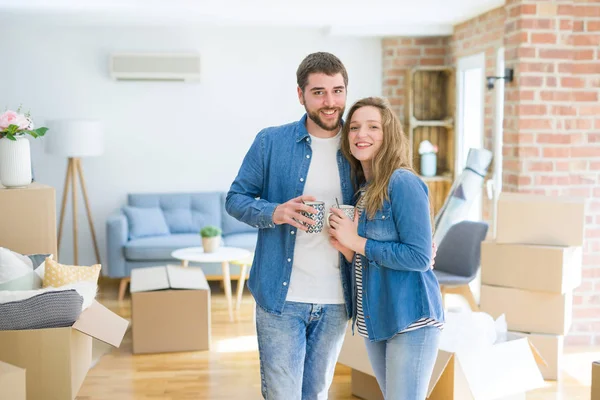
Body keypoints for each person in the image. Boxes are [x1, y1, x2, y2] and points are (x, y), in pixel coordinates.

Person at [225, 52, 355, 400]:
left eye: (338, 91)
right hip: (282, 298)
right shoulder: (271, 142)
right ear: (301, 95)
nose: (330, 102)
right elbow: (235, 199)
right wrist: (276, 212)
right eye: (319, 92)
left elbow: (389, 203)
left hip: (336, 299)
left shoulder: (361, 146)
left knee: (316, 393)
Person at [328, 96, 444, 400]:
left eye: (372, 127)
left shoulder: (402, 182)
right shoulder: (365, 190)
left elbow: (418, 257)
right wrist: (348, 249)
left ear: (388, 134)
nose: (360, 134)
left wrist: (357, 242)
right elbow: (372, 255)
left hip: (410, 318)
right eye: (354, 127)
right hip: (376, 319)